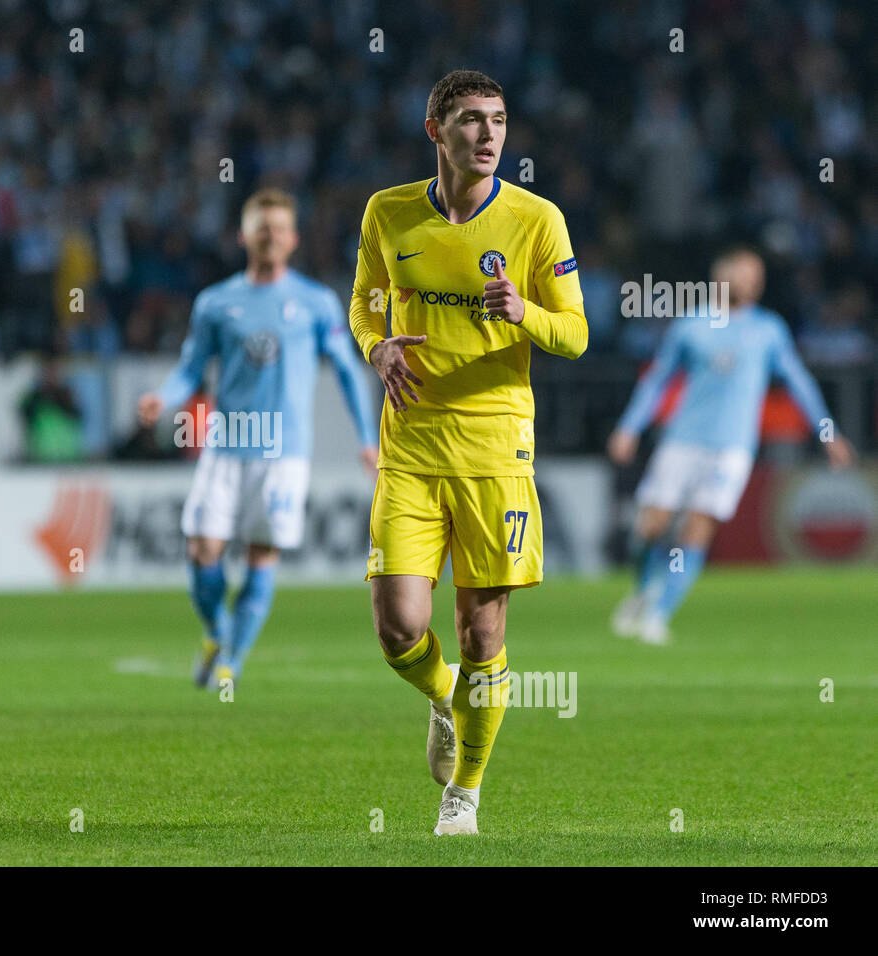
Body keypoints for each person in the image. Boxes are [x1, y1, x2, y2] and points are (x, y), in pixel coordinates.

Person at [349, 70, 587, 836]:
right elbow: (365, 300)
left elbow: (577, 333)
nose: (488, 135)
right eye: (471, 121)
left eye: (499, 120)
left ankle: (465, 795)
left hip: (495, 448)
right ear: (435, 131)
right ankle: (445, 693)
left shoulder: (536, 219)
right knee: (397, 628)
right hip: (412, 446)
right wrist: (375, 346)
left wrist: (527, 315)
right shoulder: (388, 212)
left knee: (486, 631)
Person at [139, 189, 378, 688]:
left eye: (278, 228)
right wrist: (164, 399)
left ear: (292, 239)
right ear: (243, 235)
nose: (270, 235)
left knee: (260, 555)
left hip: (282, 453)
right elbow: (190, 369)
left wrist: (366, 437)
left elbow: (348, 371)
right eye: (260, 227)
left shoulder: (315, 302)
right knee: (202, 549)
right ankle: (216, 631)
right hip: (225, 448)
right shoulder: (216, 302)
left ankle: (231, 662)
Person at [607, 246, 854, 644]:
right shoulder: (691, 325)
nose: (750, 281)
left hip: (732, 448)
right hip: (682, 441)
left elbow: (799, 382)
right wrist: (629, 427)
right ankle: (643, 589)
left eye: (755, 275)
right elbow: (657, 381)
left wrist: (827, 432)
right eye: (742, 273)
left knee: (697, 529)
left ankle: (658, 615)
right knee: (650, 527)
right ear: (720, 276)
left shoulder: (768, 329)